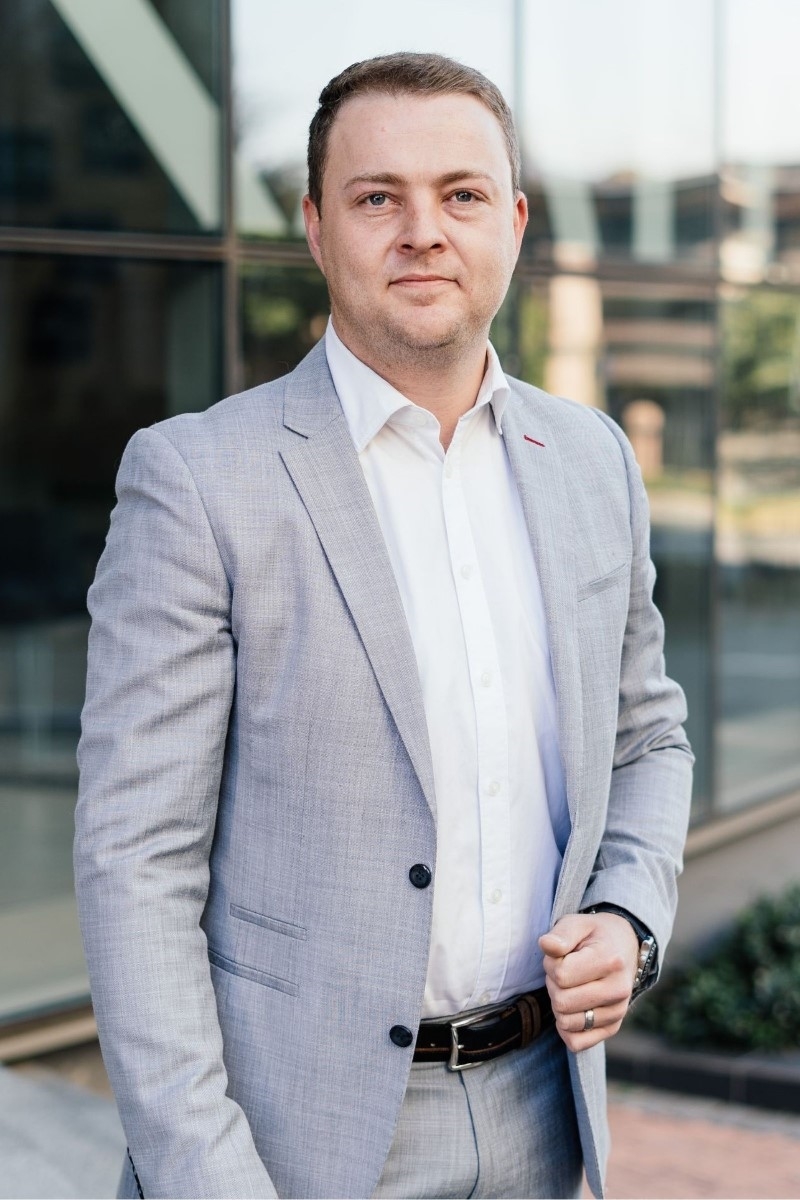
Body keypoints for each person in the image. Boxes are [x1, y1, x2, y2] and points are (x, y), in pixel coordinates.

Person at [75, 52, 693, 1200]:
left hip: (546, 1117)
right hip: (293, 1143)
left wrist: (626, 915)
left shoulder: (591, 461)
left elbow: (646, 739)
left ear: (512, 223)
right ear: (315, 228)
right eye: (376, 198)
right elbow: (134, 866)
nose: (423, 232)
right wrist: (208, 1178)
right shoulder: (198, 481)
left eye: (461, 194)